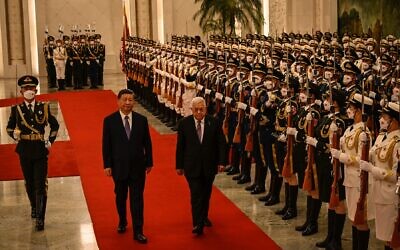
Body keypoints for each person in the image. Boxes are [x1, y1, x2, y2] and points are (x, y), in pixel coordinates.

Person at [6, 75, 59, 231]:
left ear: (36, 89)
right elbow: (9, 128)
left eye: (31, 88)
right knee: (29, 182)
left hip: (39, 150)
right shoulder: (16, 110)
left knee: (40, 184)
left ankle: (40, 218)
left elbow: (55, 126)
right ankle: (34, 206)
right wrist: (14, 134)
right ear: (21, 91)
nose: (29, 91)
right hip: (24, 149)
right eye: (25, 88)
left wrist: (50, 140)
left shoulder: (44, 107)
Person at [102, 89, 153, 244]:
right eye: (124, 100)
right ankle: (122, 220)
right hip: (119, 167)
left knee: (137, 199)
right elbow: (106, 145)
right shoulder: (109, 121)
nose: (127, 103)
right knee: (121, 196)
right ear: (118, 101)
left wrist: (149, 161)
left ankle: (138, 231)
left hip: (138, 167)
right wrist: (107, 165)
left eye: (130, 100)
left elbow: (147, 143)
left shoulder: (141, 120)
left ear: (134, 102)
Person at [176, 96, 226, 235]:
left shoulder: (214, 122)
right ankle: (197, 224)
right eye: (196, 110)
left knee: (206, 194)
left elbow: (221, 144)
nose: (199, 112)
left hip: (209, 166)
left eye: (201, 109)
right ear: (191, 110)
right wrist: (179, 166)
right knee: (196, 194)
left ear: (205, 109)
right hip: (191, 166)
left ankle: (203, 216)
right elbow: (180, 147)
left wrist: (222, 162)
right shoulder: (184, 124)